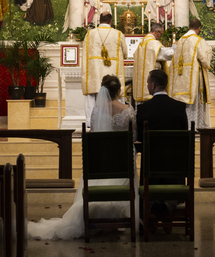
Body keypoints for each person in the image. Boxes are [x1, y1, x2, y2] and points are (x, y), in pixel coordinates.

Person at [28, 75, 138, 240]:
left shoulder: (96, 111)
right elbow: (134, 136)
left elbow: (94, 134)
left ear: (102, 91)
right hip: (123, 163)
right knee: (129, 155)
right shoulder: (128, 111)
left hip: (99, 162)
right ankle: (117, 215)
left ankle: (93, 215)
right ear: (119, 90)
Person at [136, 69, 188, 234]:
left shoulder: (143, 109)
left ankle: (152, 208)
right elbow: (184, 136)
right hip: (174, 169)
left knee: (150, 178)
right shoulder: (179, 107)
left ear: (152, 85)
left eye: (147, 83)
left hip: (151, 171)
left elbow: (140, 138)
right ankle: (167, 206)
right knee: (172, 180)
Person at [82, 12, 128, 128]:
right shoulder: (118, 34)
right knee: (115, 93)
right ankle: (118, 119)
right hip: (112, 70)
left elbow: (85, 52)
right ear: (111, 21)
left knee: (92, 94)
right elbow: (126, 54)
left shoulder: (90, 34)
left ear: (99, 21)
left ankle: (90, 121)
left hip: (94, 71)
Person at [169, 19, 212, 130]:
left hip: (180, 78)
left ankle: (184, 127)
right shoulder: (198, 41)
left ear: (189, 27)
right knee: (194, 103)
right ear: (199, 28)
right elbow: (205, 60)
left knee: (183, 104)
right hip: (194, 78)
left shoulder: (180, 41)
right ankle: (195, 126)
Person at [132, 23, 177, 103]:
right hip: (153, 82)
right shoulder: (153, 44)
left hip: (141, 84)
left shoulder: (141, 43)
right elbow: (168, 55)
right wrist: (174, 47)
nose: (161, 36)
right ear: (156, 31)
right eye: (161, 34)